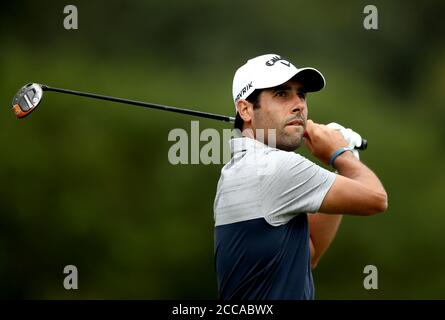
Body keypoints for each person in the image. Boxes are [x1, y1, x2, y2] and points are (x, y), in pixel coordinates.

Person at [213, 53, 388, 300]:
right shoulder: (274, 167)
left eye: (301, 94)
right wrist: (341, 153)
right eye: (282, 94)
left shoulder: (238, 170)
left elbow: (310, 251)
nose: (299, 105)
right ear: (246, 109)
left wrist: (342, 162)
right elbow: (376, 199)